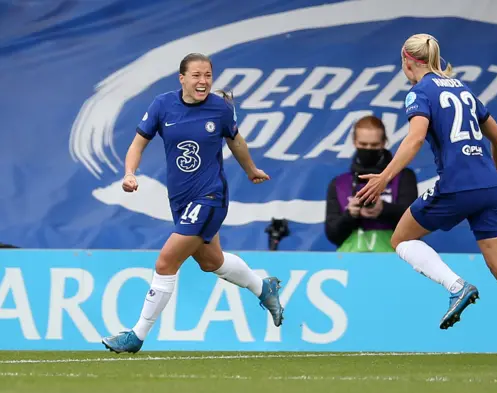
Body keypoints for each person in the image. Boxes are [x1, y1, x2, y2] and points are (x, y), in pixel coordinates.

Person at [356, 34, 497, 364]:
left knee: (401, 239)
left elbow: (414, 140)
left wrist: (385, 176)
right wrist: (490, 176)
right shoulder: (463, 89)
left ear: (408, 60)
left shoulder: (420, 92)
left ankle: (456, 286)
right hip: (489, 186)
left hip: (456, 183)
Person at [101, 53, 284, 354]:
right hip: (180, 200)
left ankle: (137, 335)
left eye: (208, 75)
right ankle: (263, 288)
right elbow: (138, 143)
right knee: (212, 262)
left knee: (165, 262)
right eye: (196, 75)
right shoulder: (162, 105)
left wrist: (250, 169)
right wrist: (130, 173)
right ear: (182, 78)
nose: (203, 81)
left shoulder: (221, 108)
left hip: (210, 196)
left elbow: (235, 141)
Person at [325, 115, 418, 252]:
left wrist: (383, 209)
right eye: (363, 144)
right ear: (354, 142)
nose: (368, 149)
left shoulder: (403, 176)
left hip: (394, 262)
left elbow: (415, 224)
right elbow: (333, 235)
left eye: (374, 145)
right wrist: (350, 214)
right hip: (350, 262)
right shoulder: (339, 183)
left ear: (384, 142)